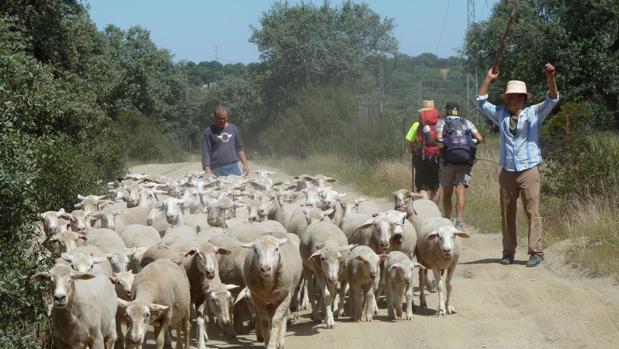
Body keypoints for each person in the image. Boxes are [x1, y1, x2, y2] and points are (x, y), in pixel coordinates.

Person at [476, 63, 559, 267]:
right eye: (508, 96)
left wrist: (551, 77)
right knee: (506, 212)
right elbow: (480, 101)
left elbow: (553, 98)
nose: (509, 99)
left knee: (532, 210)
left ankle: (536, 251)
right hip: (507, 170)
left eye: (513, 96)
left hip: (529, 169)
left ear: (522, 98)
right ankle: (508, 251)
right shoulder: (500, 114)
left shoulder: (533, 113)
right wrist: (488, 79)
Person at [435, 101, 484, 230]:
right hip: (464, 162)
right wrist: (469, 144)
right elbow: (480, 138)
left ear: (447, 111)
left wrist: (446, 145)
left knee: (447, 192)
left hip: (447, 162)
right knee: (460, 190)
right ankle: (460, 222)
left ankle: (447, 220)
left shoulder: (442, 122)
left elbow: (439, 140)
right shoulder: (466, 122)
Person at [405, 100, 441, 203]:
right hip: (436, 156)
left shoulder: (417, 125)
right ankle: (434, 212)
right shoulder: (440, 124)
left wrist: (412, 149)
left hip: (422, 156)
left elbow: (408, 142)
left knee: (422, 187)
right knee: (435, 187)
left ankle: (425, 211)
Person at [202, 105, 249, 177]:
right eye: (219, 119)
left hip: (233, 167)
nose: (222, 120)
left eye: (224, 118)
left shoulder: (233, 128)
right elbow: (206, 151)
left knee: (237, 187)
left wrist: (245, 165)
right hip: (216, 169)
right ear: (215, 117)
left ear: (228, 117)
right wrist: (207, 168)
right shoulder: (209, 131)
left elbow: (239, 148)